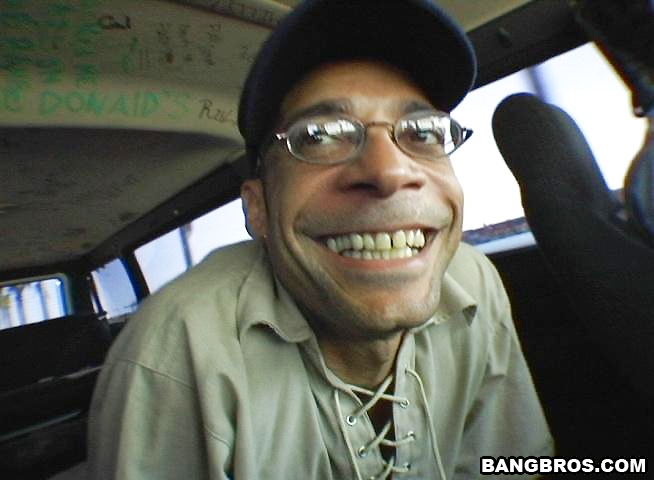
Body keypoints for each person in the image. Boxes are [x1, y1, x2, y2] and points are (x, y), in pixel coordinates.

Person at [88, 1, 553, 479]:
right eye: (320, 135)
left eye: (423, 132)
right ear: (258, 208)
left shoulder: (474, 281)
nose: (390, 170)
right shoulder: (174, 354)